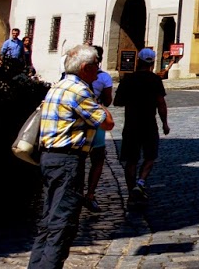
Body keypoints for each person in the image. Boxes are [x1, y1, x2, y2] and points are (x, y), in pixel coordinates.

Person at [28, 44, 115, 269]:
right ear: (85, 68)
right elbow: (107, 123)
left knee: (48, 220)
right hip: (67, 159)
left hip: (49, 157)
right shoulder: (79, 91)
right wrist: (100, 103)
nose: (99, 69)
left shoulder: (58, 86)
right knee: (63, 222)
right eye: (96, 64)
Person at [113, 48, 169, 203]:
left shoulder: (128, 80)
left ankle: (132, 192)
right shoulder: (155, 80)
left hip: (131, 124)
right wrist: (165, 123)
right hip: (149, 124)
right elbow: (161, 103)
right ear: (152, 62)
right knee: (151, 156)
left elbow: (117, 102)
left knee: (131, 160)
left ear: (138, 60)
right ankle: (141, 183)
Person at [82, 47, 115, 212]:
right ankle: (90, 194)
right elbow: (108, 101)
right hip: (96, 121)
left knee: (78, 158)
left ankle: (75, 193)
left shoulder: (70, 78)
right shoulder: (104, 77)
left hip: (78, 123)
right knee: (98, 158)